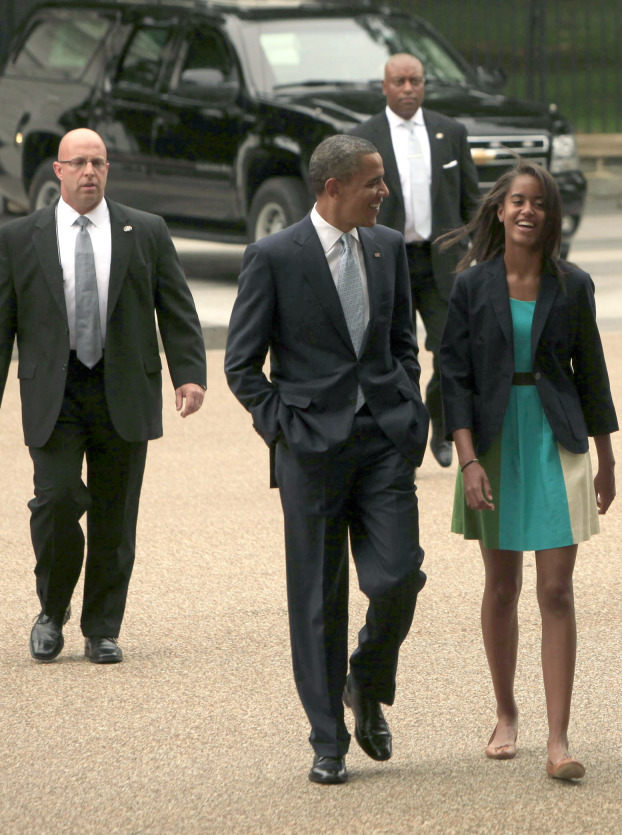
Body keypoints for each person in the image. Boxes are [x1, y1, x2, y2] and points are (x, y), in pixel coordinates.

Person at [224, 134, 429, 785]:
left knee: (398, 576)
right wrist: (285, 429)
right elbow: (240, 364)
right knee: (317, 598)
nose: (385, 192)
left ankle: (365, 683)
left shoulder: (388, 246)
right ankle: (328, 739)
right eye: (373, 182)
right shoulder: (274, 256)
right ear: (333, 187)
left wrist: (407, 409)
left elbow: (401, 341)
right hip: (310, 451)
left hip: (384, 443)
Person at [439, 160, 618, 781]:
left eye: (538, 203)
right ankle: (506, 711)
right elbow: (453, 379)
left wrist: (607, 456)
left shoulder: (572, 285)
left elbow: (591, 371)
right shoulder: (469, 286)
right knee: (502, 586)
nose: (527, 211)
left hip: (555, 437)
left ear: (550, 215)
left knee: (556, 589)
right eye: (517, 200)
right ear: (500, 208)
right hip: (490, 444)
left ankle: (559, 739)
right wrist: (465, 462)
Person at [0, 128, 206, 665]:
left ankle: (102, 628)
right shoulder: (21, 237)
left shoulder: (147, 230)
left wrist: (189, 373)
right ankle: (51, 611)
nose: (90, 171)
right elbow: (3, 324)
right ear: (58, 171)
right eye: (79, 163)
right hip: (55, 390)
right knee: (58, 500)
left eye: (99, 162)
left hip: (124, 388)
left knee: (115, 513)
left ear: (108, 169)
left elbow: (177, 308)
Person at [350, 52, 481, 468]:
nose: (408, 89)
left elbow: (471, 200)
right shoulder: (364, 139)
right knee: (392, 353)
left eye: (416, 81)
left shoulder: (451, 132)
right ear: (384, 87)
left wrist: (477, 250)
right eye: (400, 82)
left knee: (450, 352)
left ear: (425, 85)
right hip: (388, 262)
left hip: (443, 262)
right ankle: (401, 432)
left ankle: (442, 430)